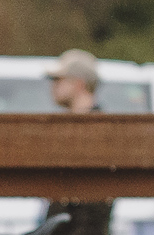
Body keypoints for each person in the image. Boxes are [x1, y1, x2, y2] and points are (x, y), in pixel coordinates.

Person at [44, 49, 112, 235]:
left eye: (59, 80)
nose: (53, 86)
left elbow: (94, 205)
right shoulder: (82, 127)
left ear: (79, 84)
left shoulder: (97, 130)